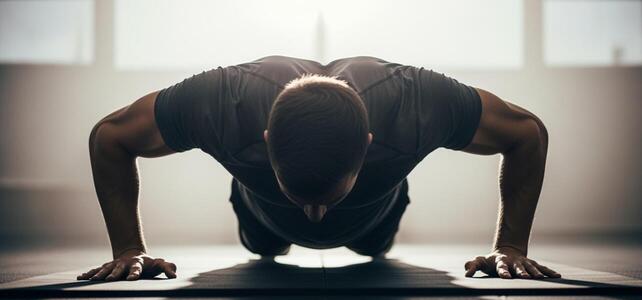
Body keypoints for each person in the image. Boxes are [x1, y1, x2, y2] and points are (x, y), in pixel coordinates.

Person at [78, 55, 561, 282]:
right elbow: (111, 137)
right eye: (301, 196)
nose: (314, 217)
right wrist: (128, 249)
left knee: (372, 247)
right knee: (265, 247)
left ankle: (356, 209)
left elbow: (526, 133)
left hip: (376, 215)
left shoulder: (417, 103)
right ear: (267, 142)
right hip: (260, 215)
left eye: (326, 198)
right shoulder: (220, 102)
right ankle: (276, 210)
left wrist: (511, 246)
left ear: (368, 145)